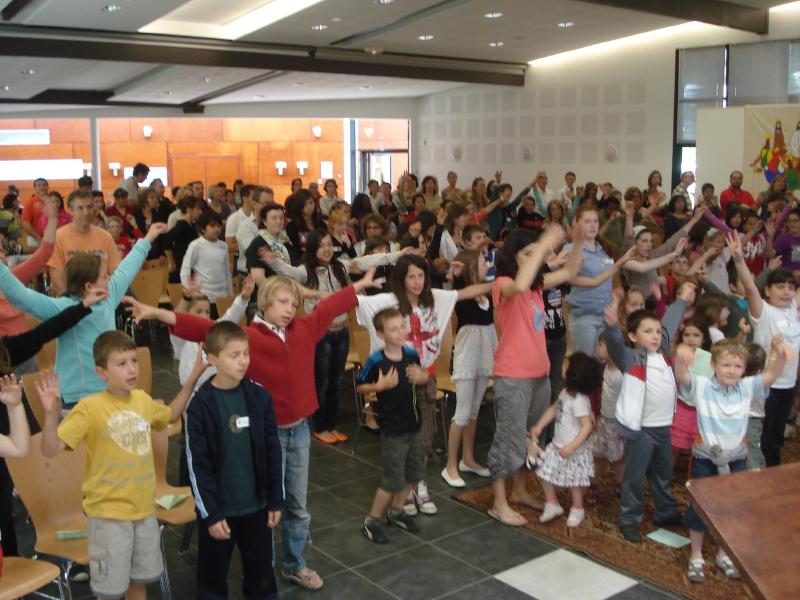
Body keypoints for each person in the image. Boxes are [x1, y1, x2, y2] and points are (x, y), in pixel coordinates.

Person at [126, 270, 381, 592]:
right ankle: (264, 567)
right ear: (265, 303)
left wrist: (358, 285)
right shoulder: (250, 337)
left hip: (299, 431)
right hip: (264, 435)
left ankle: (294, 564)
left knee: (297, 507)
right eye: (283, 302)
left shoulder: (304, 328)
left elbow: (330, 307)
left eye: (294, 303)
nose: (290, 308)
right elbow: (205, 328)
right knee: (264, 506)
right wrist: (155, 311)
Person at [37, 330, 205, 600]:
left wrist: (193, 376)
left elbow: (171, 415)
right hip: (108, 516)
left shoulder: (140, 399)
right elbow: (50, 448)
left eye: (134, 361)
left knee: (139, 583)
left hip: (143, 510)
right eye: (121, 363)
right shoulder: (89, 407)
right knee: (111, 591)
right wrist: (50, 414)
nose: (131, 369)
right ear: (101, 372)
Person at [355, 255, 493, 516]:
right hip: (398, 384)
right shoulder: (389, 302)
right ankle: (403, 493)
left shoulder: (436, 299)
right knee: (402, 442)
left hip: (426, 378)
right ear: (401, 279)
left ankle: (419, 484)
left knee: (425, 439)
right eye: (411, 276)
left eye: (421, 276)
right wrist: (360, 282)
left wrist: (501, 282)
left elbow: (466, 292)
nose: (417, 282)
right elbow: (354, 302)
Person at [0, 223, 165, 408]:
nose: (110, 278)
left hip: (110, 390)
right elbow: (19, 295)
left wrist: (149, 237)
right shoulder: (62, 307)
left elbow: (128, 268)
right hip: (77, 398)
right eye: (104, 276)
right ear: (89, 286)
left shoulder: (108, 297)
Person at [485, 226, 581, 526]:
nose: (534, 258)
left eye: (534, 253)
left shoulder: (536, 287)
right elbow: (521, 280)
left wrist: (578, 239)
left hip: (539, 373)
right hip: (513, 375)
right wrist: (542, 246)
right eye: (526, 253)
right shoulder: (502, 284)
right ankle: (498, 503)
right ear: (512, 256)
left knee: (530, 436)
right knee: (508, 440)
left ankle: (519, 491)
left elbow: (570, 271)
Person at [674, 337, 788, 583]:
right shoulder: (703, 385)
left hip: (736, 457)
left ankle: (724, 553)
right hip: (707, 457)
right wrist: (682, 359)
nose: (732, 371)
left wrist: (778, 355)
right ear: (713, 365)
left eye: (737, 367)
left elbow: (770, 376)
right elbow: (683, 377)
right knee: (700, 507)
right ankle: (696, 556)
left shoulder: (746, 387)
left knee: (731, 509)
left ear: (744, 369)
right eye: (726, 365)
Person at [186, 321, 284, 599]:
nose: (243, 361)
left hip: (257, 507)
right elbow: (197, 467)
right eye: (234, 355)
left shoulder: (259, 396)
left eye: (245, 353)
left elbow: (272, 450)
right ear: (212, 358)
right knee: (213, 579)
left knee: (261, 575)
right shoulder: (201, 405)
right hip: (219, 512)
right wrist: (211, 513)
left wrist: (275, 498)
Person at [602, 281, 697, 543]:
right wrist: (611, 327)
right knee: (635, 475)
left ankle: (665, 511)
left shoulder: (664, 354)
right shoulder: (631, 358)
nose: (656, 335)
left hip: (663, 426)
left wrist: (681, 301)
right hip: (641, 430)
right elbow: (614, 344)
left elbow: (669, 323)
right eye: (647, 331)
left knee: (663, 471)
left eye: (657, 331)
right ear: (633, 336)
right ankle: (629, 518)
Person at [728, 231, 800, 466]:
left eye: (791, 287)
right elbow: (749, 286)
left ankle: (771, 473)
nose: (787, 291)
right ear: (768, 291)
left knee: (777, 436)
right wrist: (739, 259)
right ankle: (762, 477)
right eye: (780, 287)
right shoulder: (763, 312)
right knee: (763, 438)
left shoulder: (792, 310)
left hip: (788, 384)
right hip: (767, 384)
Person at [357, 308, 428, 543]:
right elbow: (360, 386)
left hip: (413, 425)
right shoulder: (376, 360)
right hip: (393, 430)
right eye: (393, 329)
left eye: (402, 327)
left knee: (414, 474)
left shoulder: (411, 354)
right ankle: (371, 520)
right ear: (380, 333)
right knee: (392, 480)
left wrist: (423, 377)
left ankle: (396, 512)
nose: (400, 333)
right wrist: (379, 386)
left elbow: (423, 376)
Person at [441, 250, 497, 488]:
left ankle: (468, 459)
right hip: (467, 353)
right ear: (472, 266)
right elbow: (451, 286)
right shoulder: (461, 292)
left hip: (485, 351)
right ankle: (450, 465)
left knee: (474, 410)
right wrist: (455, 275)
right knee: (462, 412)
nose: (488, 265)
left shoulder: (487, 290)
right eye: (484, 262)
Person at [530, 352, 602, 528]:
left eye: (565, 366)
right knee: (544, 470)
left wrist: (572, 447)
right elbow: (554, 409)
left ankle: (578, 508)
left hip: (574, 450)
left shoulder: (579, 401)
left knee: (574, 481)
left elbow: (587, 426)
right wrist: (539, 426)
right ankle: (552, 503)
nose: (561, 367)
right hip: (557, 445)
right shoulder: (565, 393)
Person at [47, 190, 121, 296]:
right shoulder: (58, 238)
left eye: (89, 207)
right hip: (71, 303)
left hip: (103, 300)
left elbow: (115, 273)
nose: (86, 212)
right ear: (71, 211)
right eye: (80, 208)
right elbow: (58, 282)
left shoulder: (105, 237)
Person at [180, 212, 232, 318]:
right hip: (204, 295)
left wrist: (230, 292)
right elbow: (185, 270)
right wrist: (189, 290)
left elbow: (227, 271)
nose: (217, 229)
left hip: (222, 295)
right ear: (203, 229)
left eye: (219, 226)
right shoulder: (195, 245)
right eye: (212, 226)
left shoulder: (223, 246)